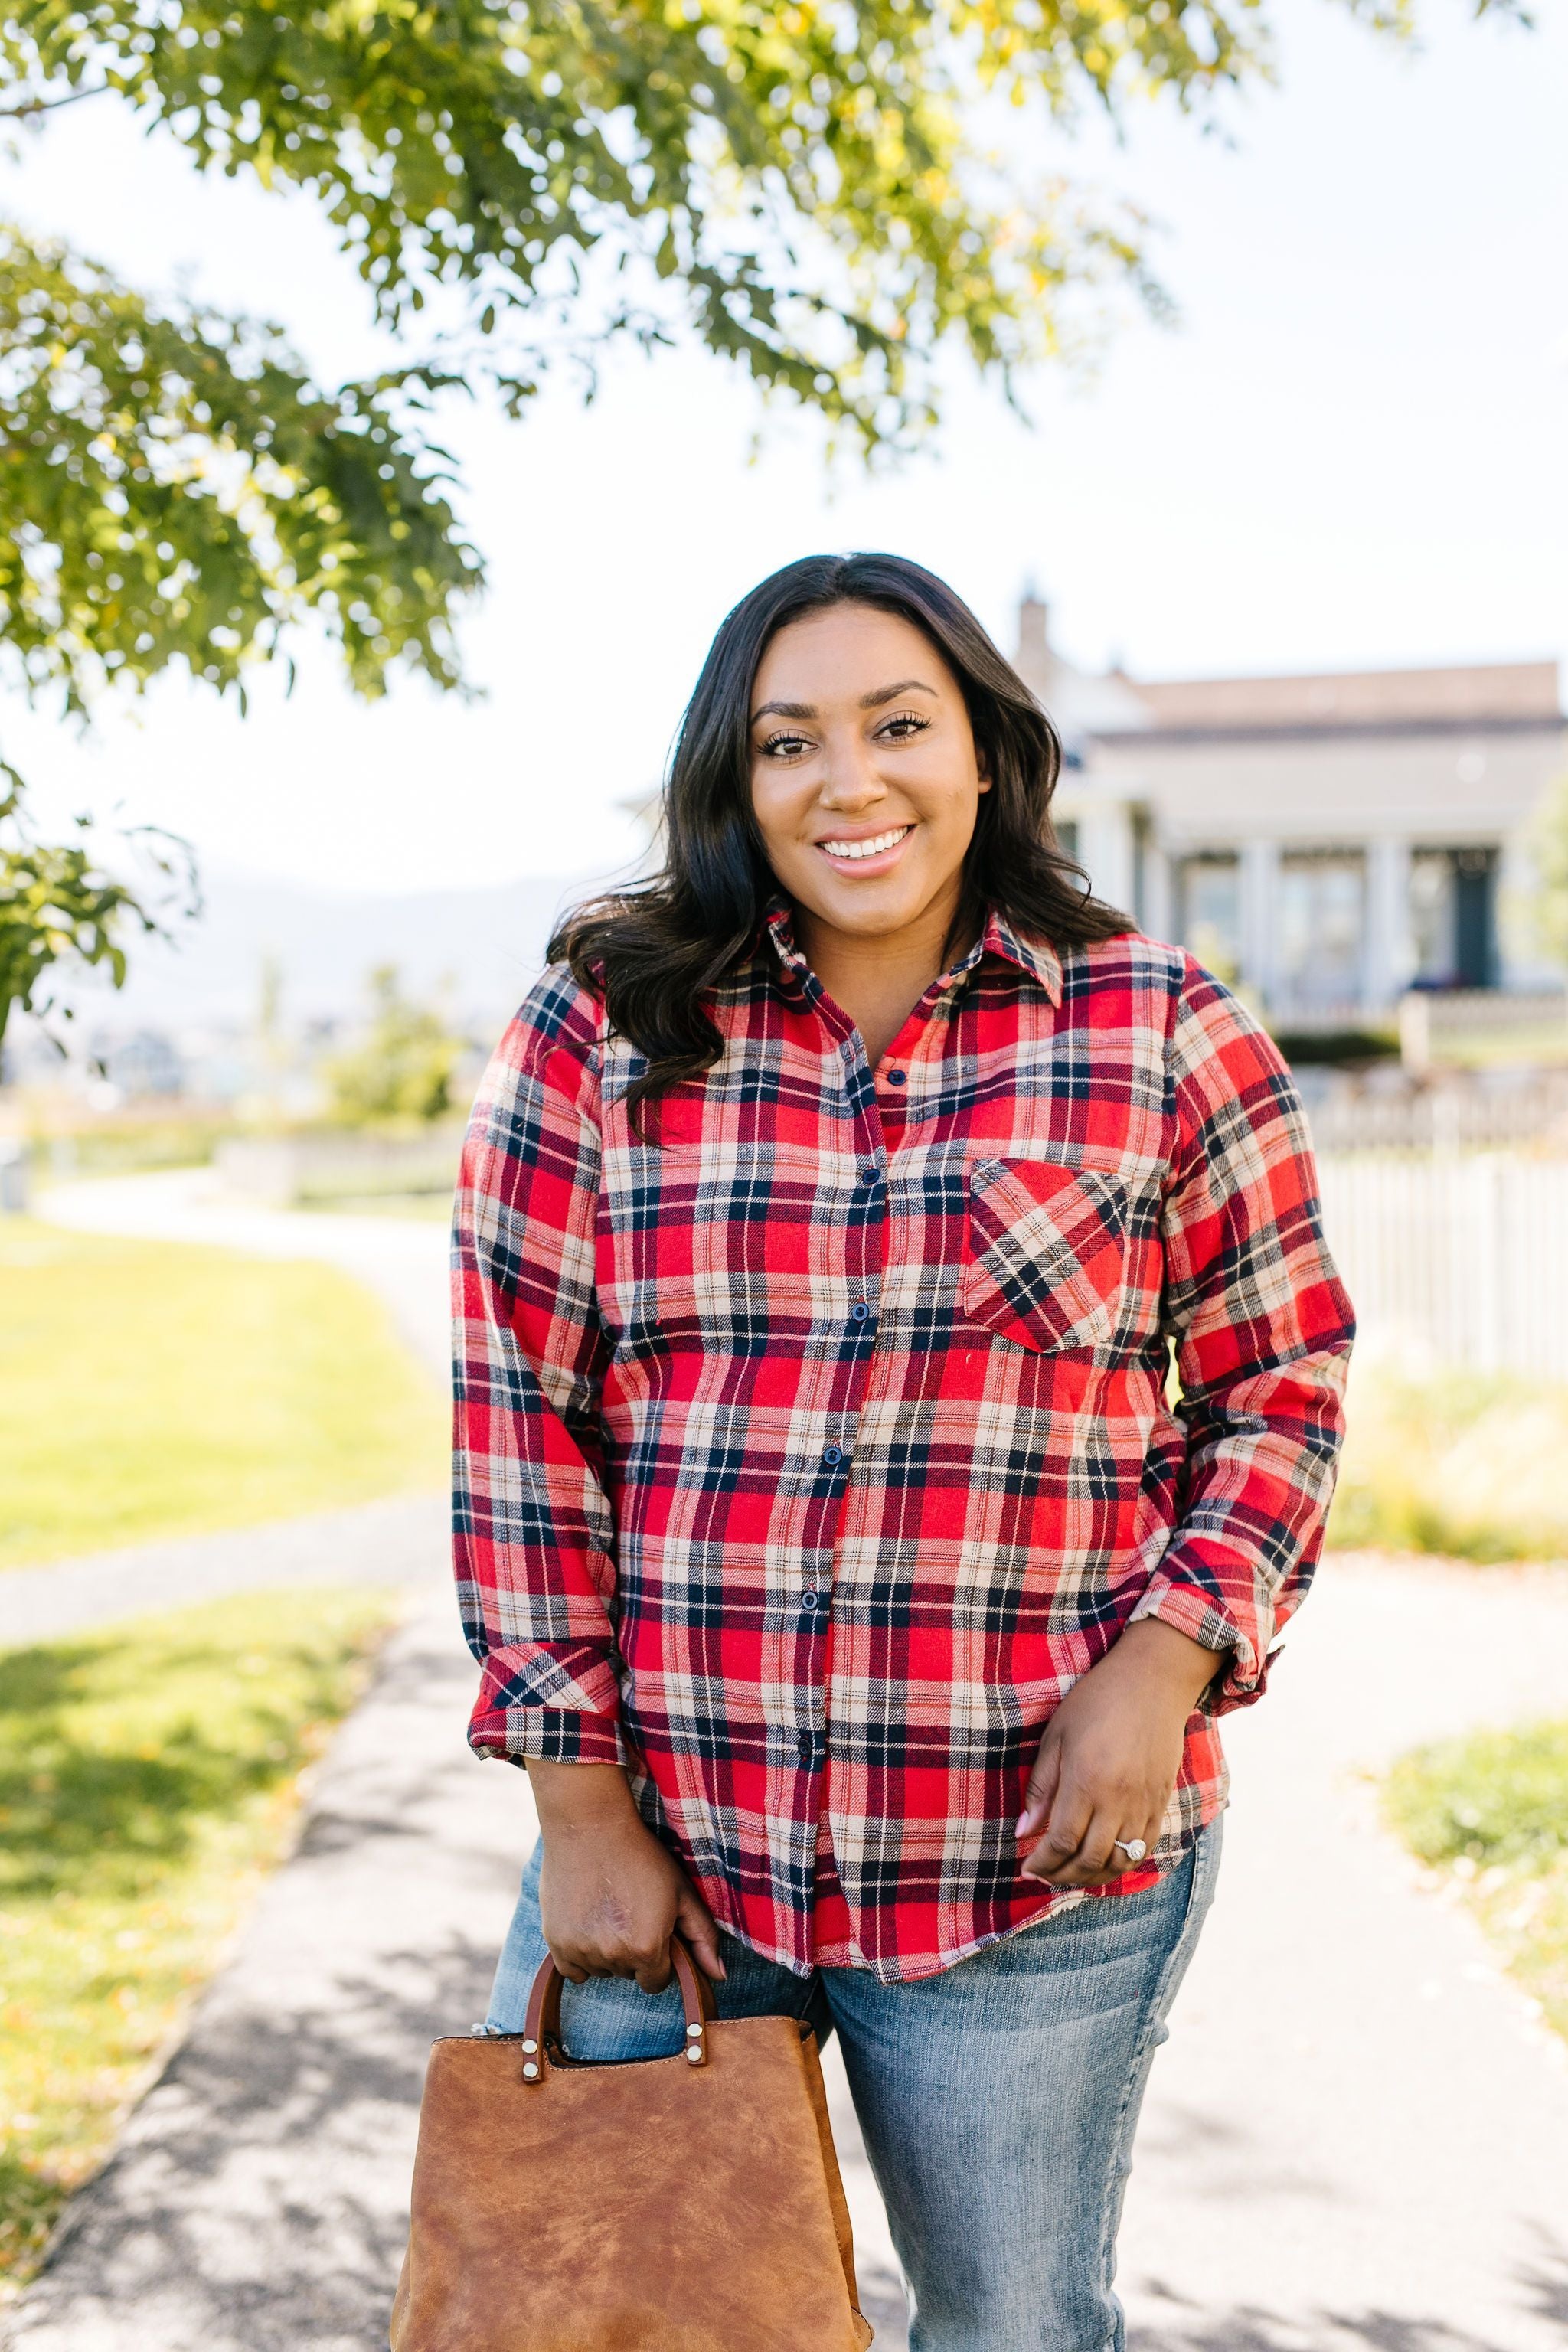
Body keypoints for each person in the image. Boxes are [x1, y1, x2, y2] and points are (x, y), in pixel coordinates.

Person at [452, 553, 1354, 2352]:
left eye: (896, 726)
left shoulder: (1162, 1028)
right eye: (790, 741)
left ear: (984, 751)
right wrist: (574, 1800)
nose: (848, 783)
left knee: (1010, 2330)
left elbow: (1282, 1384)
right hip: (676, 1858)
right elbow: (517, 1423)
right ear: (735, 776)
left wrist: (1168, 1665)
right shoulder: (602, 1036)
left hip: (1028, 1877)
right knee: (612, 2320)